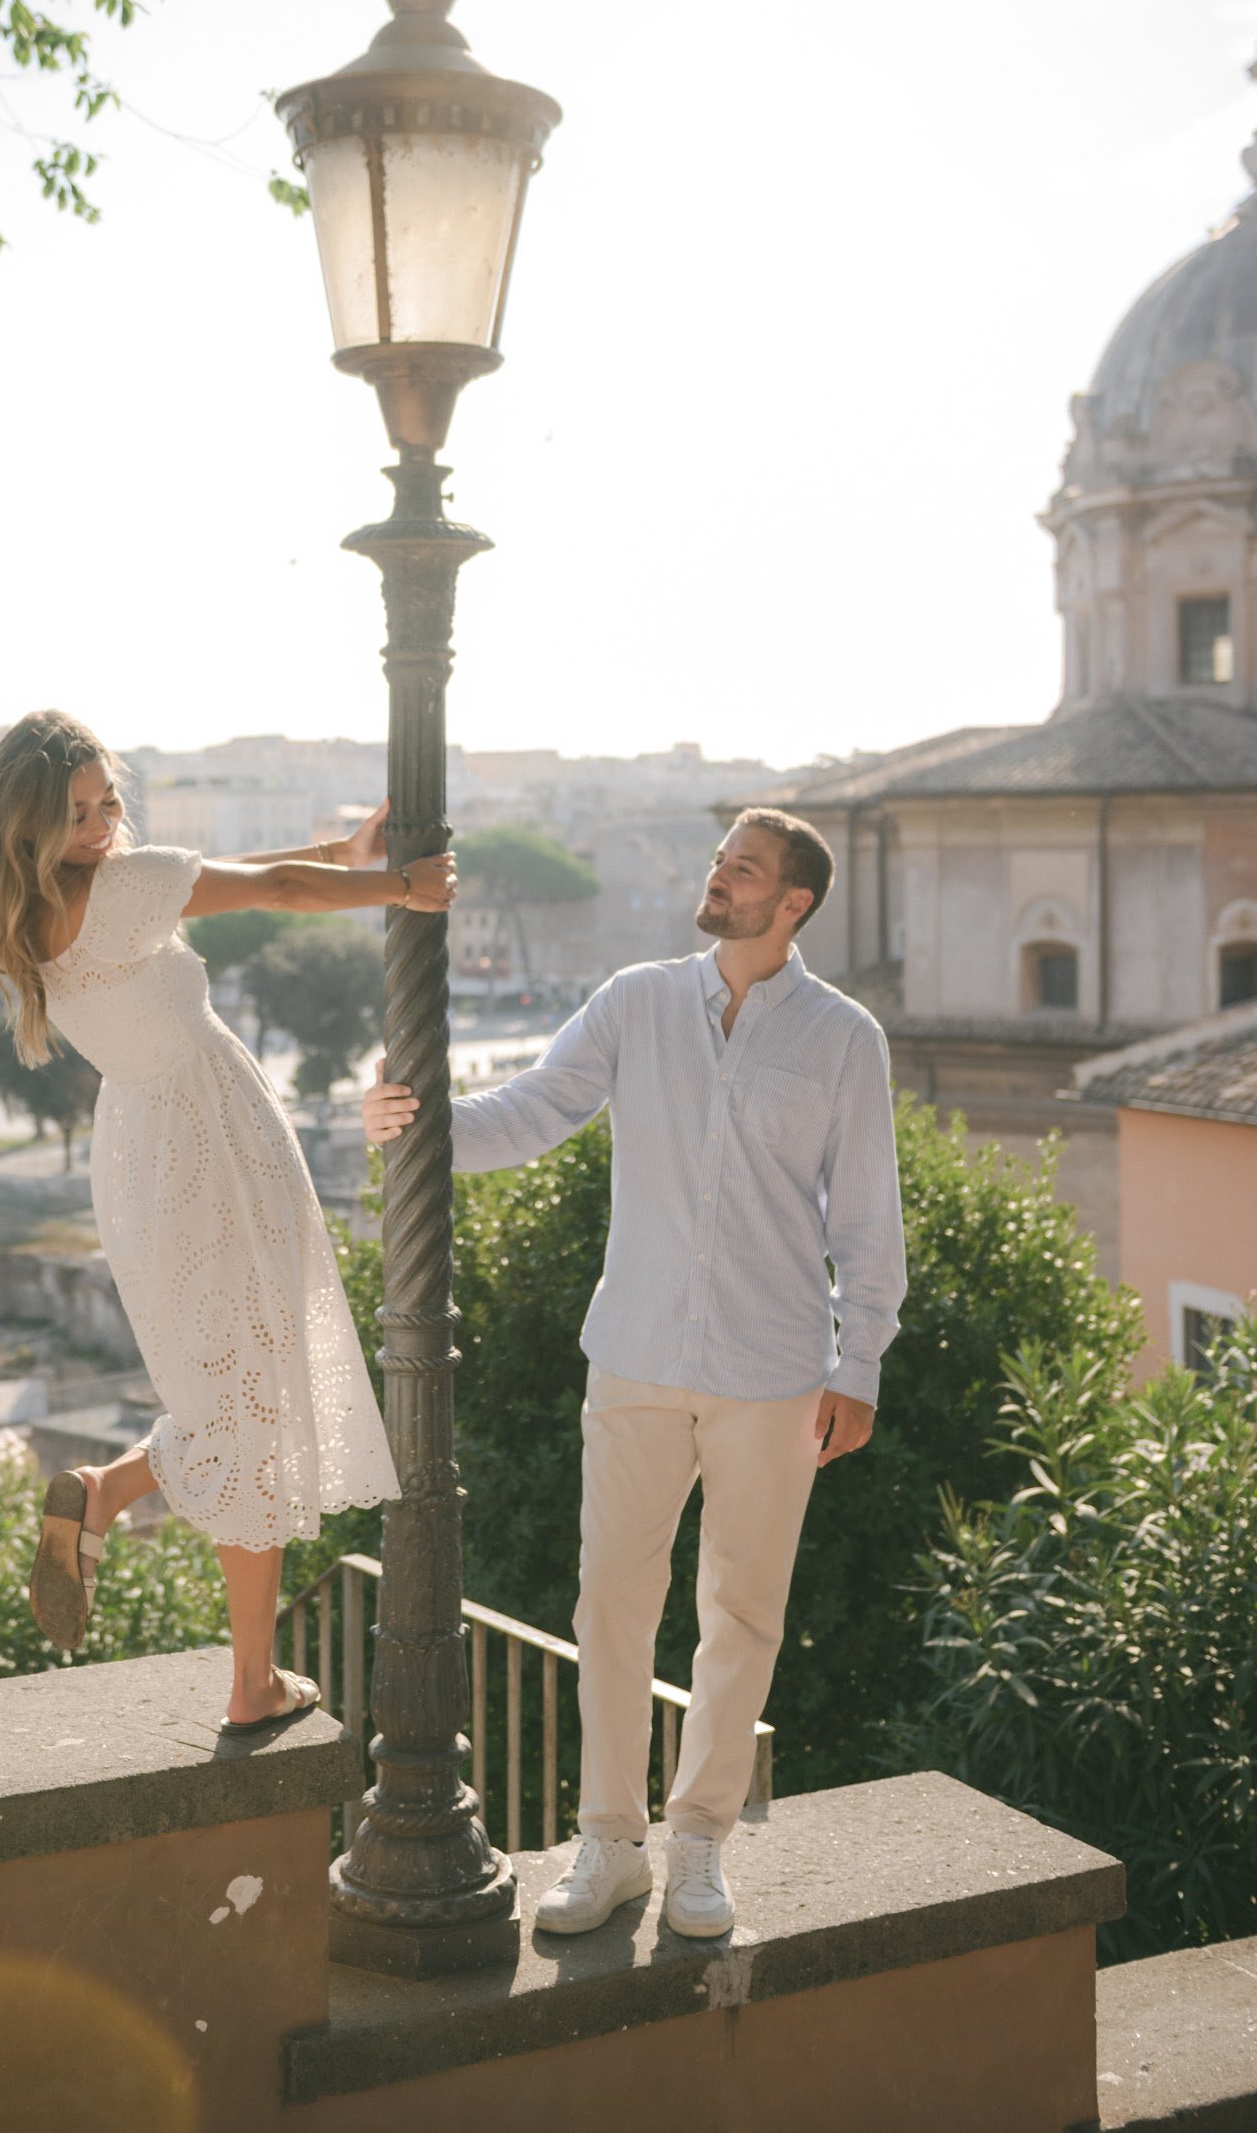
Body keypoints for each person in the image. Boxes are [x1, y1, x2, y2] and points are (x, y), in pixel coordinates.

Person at [364, 809, 905, 1934]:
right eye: (716, 861)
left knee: (740, 1613)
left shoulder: (844, 1037)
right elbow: (531, 1114)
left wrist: (861, 1363)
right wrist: (413, 1123)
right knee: (610, 1599)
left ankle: (698, 1843)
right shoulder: (636, 1000)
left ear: (792, 901)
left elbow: (864, 1217)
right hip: (638, 1356)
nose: (717, 879)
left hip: (774, 1370)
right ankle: (607, 1842)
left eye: (741, 869)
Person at [0, 709, 452, 1734]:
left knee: (241, 1396)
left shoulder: (42, 903)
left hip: (149, 1151)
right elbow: (267, 892)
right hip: (213, 1148)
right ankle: (244, 1679)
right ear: (27, 825)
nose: (103, 826)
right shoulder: (115, 889)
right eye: (78, 814)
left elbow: (229, 875)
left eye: (108, 804)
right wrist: (396, 888)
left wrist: (337, 853)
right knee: (251, 1404)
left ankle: (111, 1497)